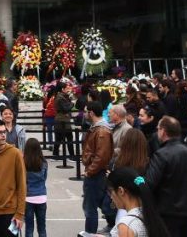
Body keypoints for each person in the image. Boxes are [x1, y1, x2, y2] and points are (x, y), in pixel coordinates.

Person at [145, 116, 187, 237]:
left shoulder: (161, 155)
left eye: (158, 129)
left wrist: (137, 181)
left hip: (167, 214)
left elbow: (149, 183)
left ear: (163, 131)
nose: (157, 132)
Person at [79, 100, 114, 237]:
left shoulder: (101, 131)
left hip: (96, 174)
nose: (84, 114)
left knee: (90, 207)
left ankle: (90, 234)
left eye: (86, 112)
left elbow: (101, 156)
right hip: (96, 172)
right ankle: (111, 225)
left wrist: (90, 171)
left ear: (91, 113)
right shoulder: (97, 128)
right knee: (100, 203)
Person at [107, 167, 170, 237]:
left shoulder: (126, 224)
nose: (111, 197)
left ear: (121, 191)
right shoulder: (150, 216)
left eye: (110, 192)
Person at [23, 138, 47, 237]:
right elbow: (44, 178)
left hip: (28, 197)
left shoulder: (24, 163)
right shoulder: (44, 163)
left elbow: (22, 180)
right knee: (42, 228)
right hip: (41, 196)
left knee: (29, 228)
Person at [53, 84, 76, 163]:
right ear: (62, 89)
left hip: (62, 119)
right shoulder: (60, 98)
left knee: (59, 138)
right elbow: (66, 108)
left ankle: (55, 155)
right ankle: (71, 156)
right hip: (62, 120)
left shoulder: (62, 96)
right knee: (68, 137)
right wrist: (72, 103)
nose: (68, 89)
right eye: (66, 88)